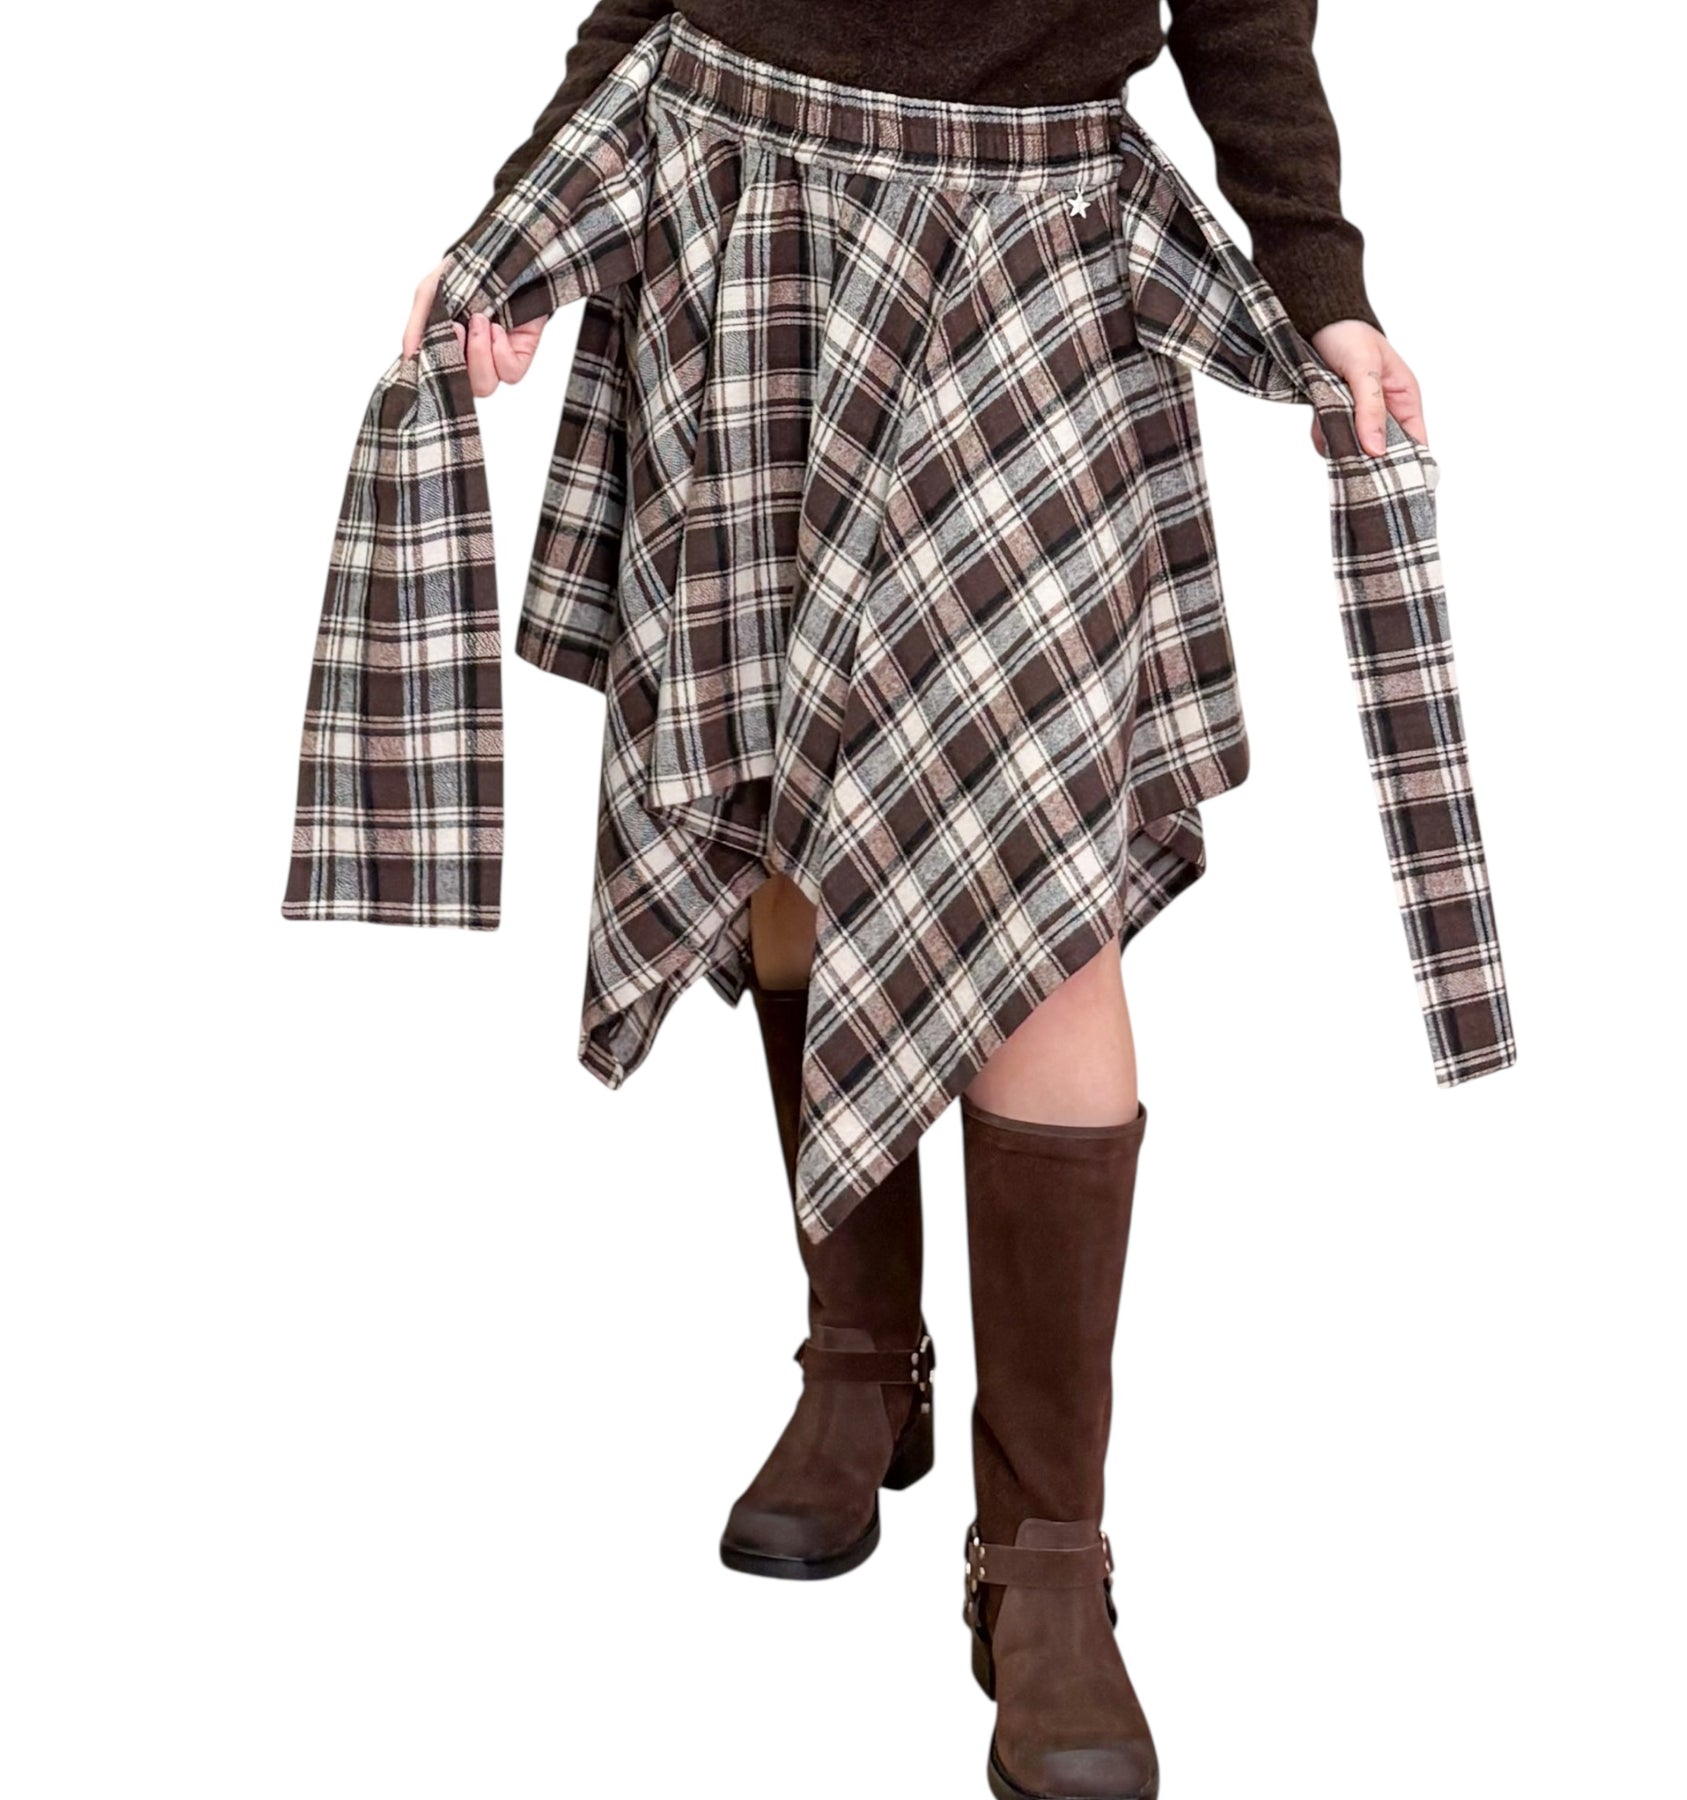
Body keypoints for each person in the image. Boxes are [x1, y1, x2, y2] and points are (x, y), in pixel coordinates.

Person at [391, 9, 1432, 1797]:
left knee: (1045, 901)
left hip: (1026, 257)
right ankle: (861, 1360)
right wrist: (525, 218)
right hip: (742, 201)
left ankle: (1047, 1560)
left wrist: (1320, 279)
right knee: (793, 824)